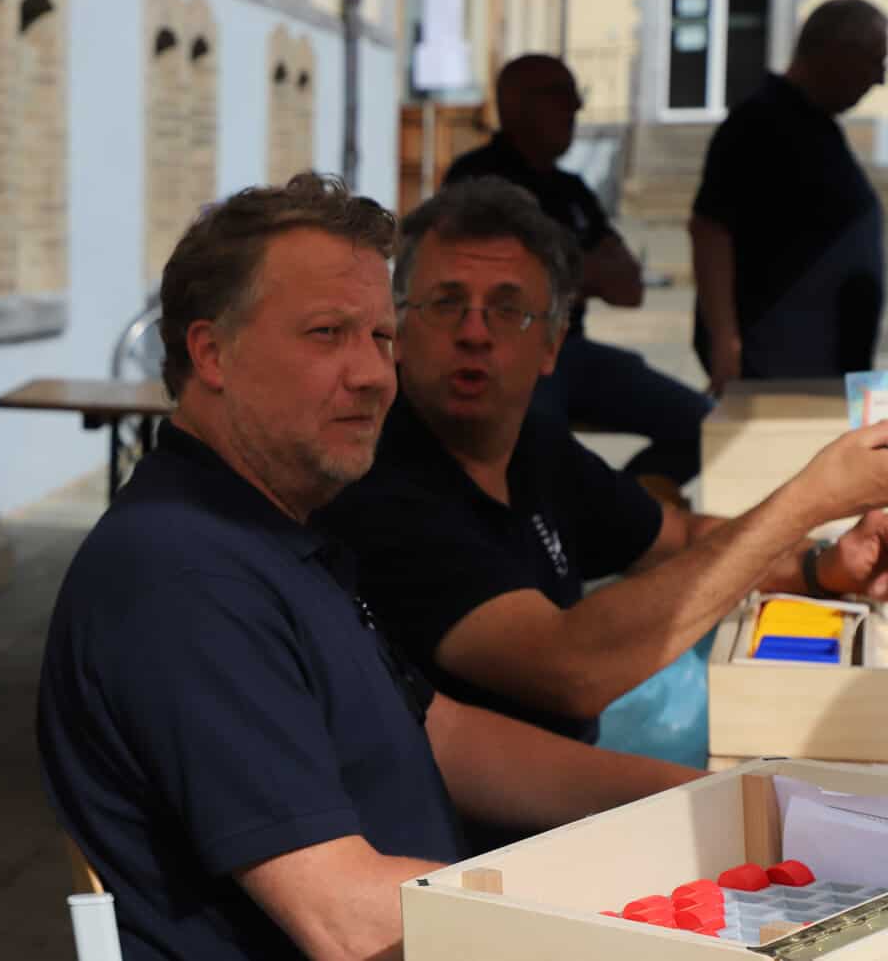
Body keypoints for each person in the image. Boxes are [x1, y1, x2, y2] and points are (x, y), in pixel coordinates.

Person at [37, 173, 702, 961]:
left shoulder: (279, 530)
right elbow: (344, 917)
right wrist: (640, 918)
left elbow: (444, 737)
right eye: (328, 334)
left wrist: (695, 802)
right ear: (212, 353)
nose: (373, 375)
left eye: (382, 338)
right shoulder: (182, 577)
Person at [323, 177, 888, 850]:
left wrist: (826, 565)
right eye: (446, 303)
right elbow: (567, 668)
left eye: (507, 309)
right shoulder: (382, 484)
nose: (474, 332)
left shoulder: (531, 446)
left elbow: (679, 538)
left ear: (553, 344)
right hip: (472, 846)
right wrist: (809, 498)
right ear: (400, 330)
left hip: (567, 798)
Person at [445, 54, 711, 492]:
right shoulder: (477, 179)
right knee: (539, 454)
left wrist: (552, 271)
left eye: (576, 95)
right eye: (561, 95)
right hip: (505, 355)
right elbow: (497, 282)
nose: (576, 108)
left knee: (705, 424)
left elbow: (629, 289)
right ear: (515, 103)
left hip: (572, 349)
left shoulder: (573, 190)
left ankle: (618, 513)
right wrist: (581, 272)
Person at [691, 0, 888, 392]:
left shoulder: (816, 123)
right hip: (778, 359)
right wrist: (726, 342)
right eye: (874, 61)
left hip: (831, 360)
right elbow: (710, 230)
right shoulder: (759, 122)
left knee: (862, 432)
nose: (880, 79)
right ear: (836, 53)